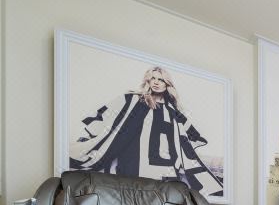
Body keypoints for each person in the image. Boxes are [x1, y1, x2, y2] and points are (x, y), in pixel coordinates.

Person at [70, 66, 224, 196]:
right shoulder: (133, 100)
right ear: (148, 81)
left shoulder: (172, 111)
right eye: (153, 78)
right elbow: (108, 117)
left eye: (161, 80)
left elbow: (187, 136)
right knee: (129, 194)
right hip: (131, 159)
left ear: (167, 84)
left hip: (162, 164)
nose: (156, 82)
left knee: (158, 199)